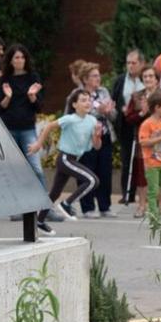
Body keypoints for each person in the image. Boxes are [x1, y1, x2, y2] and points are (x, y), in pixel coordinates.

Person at [28, 88, 103, 235]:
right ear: (74, 105)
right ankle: (67, 204)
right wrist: (38, 144)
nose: (87, 102)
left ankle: (39, 221)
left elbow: (96, 146)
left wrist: (97, 136)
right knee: (93, 180)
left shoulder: (92, 121)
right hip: (65, 158)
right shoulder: (70, 119)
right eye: (83, 100)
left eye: (89, 100)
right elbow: (49, 126)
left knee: (55, 192)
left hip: (74, 159)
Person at [67, 62, 116, 218]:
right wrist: (97, 111)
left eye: (98, 75)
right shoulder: (77, 94)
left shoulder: (103, 92)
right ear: (85, 79)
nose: (98, 78)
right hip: (85, 138)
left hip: (104, 136)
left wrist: (108, 112)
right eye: (94, 76)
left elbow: (113, 115)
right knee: (87, 171)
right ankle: (87, 208)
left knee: (105, 171)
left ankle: (105, 207)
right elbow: (71, 116)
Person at [0, 44, 47, 189]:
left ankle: (45, 208)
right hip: (9, 129)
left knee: (36, 168)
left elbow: (39, 107)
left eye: (22, 57)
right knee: (12, 170)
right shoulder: (4, 79)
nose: (20, 60)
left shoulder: (33, 77)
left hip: (27, 129)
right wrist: (8, 97)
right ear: (11, 60)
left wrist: (31, 96)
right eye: (17, 57)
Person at [125, 66, 161, 218]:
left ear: (156, 79)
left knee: (160, 173)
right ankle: (142, 206)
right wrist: (142, 112)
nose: (147, 79)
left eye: (151, 76)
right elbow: (129, 118)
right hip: (143, 140)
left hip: (160, 140)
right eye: (145, 77)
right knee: (142, 175)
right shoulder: (136, 96)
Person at [111, 49, 145, 204]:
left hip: (144, 123)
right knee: (127, 159)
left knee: (142, 159)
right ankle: (127, 193)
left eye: (134, 63)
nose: (130, 66)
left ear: (141, 64)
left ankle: (145, 194)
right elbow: (113, 101)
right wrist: (121, 110)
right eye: (128, 63)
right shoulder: (120, 81)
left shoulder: (146, 79)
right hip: (125, 125)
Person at [139, 91, 161, 218]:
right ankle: (153, 215)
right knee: (153, 190)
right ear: (157, 107)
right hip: (152, 162)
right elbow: (143, 142)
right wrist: (159, 138)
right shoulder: (147, 124)